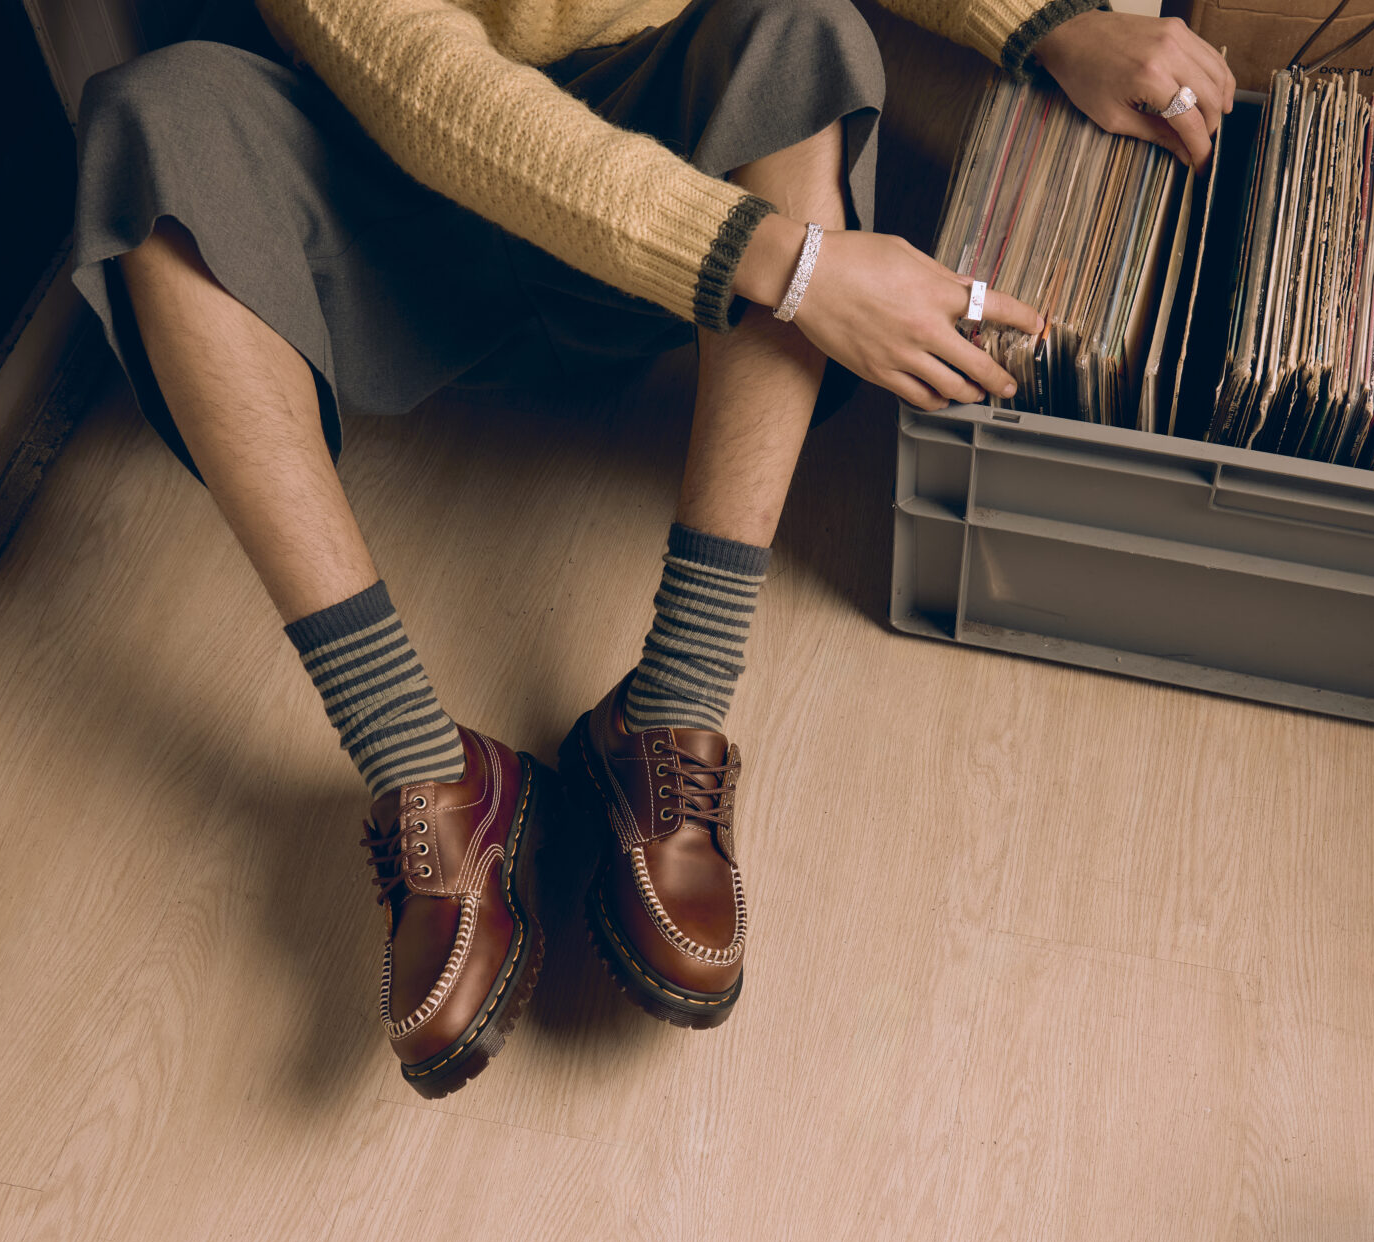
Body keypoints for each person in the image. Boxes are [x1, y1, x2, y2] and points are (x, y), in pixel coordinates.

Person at [69, 0, 1235, 1098]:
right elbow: (433, 91)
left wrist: (1046, 26)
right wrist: (797, 266)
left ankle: (672, 707)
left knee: (799, 31)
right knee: (150, 124)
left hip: (650, 167)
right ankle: (428, 775)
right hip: (383, 206)